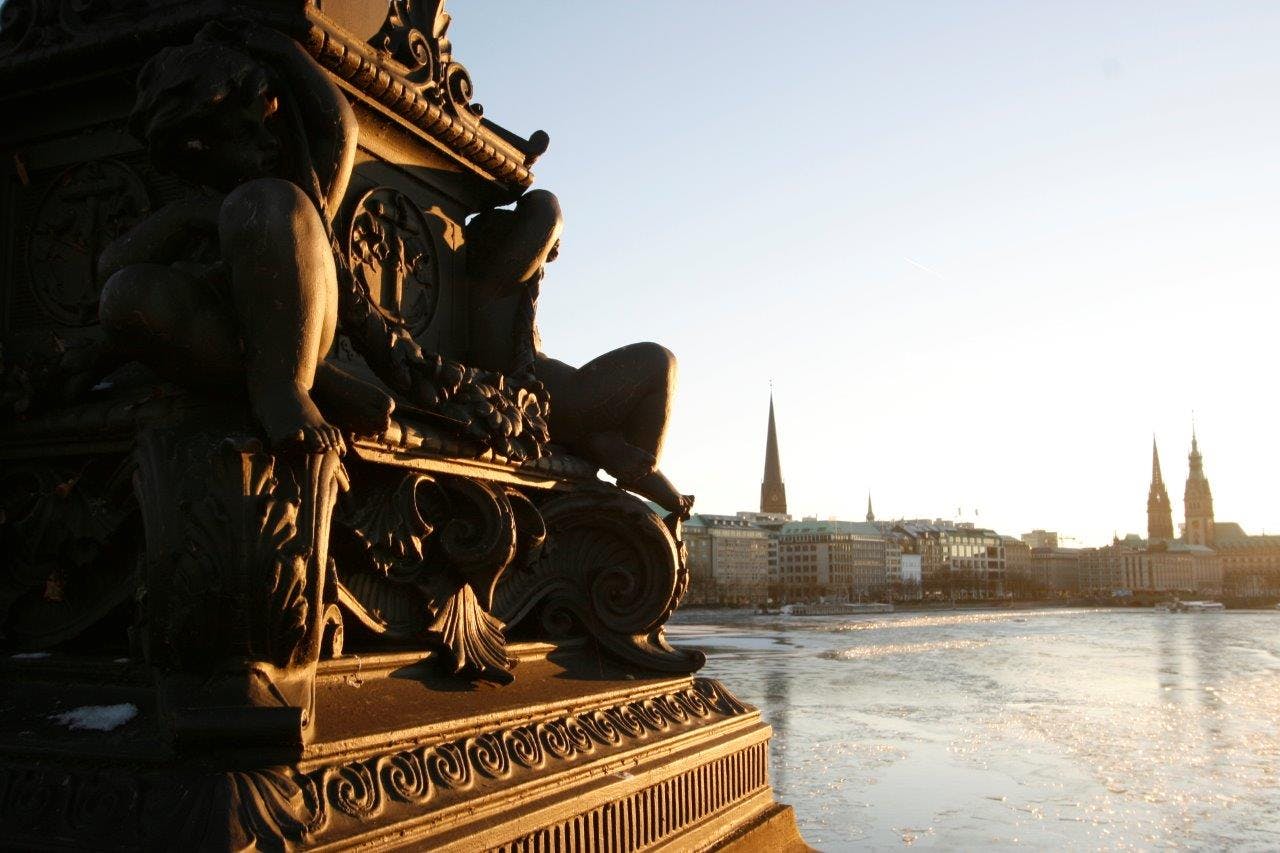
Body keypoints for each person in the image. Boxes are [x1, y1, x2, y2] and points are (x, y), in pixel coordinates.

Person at [97, 21, 539, 456]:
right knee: (125, 295)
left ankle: (284, 386)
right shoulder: (189, 211)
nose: (267, 139)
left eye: (268, 122)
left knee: (269, 200)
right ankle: (318, 381)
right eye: (247, 130)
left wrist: (274, 42)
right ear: (195, 146)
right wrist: (192, 217)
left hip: (307, 324)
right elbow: (112, 270)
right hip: (211, 330)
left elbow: (337, 127)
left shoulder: (296, 193)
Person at [466, 190, 693, 519]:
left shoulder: (496, 299)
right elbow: (547, 211)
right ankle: (637, 468)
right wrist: (504, 188)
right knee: (659, 361)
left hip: (556, 401)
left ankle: (601, 445)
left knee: (656, 365)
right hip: (557, 402)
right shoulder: (494, 286)